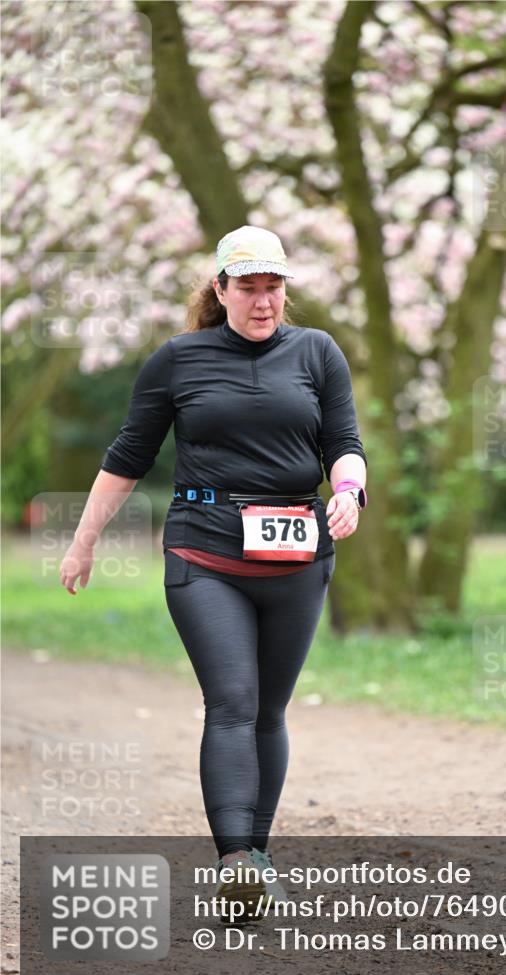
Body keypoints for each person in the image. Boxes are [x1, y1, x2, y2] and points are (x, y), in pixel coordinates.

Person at [59, 225, 368, 918]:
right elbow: (129, 455)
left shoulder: (318, 352)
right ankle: (234, 861)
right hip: (206, 551)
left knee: (269, 711)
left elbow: (344, 443)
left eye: (273, 288)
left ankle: (255, 859)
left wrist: (349, 491)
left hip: (297, 552)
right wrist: (83, 541)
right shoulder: (178, 359)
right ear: (220, 289)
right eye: (248, 288)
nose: (263, 302)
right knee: (232, 700)